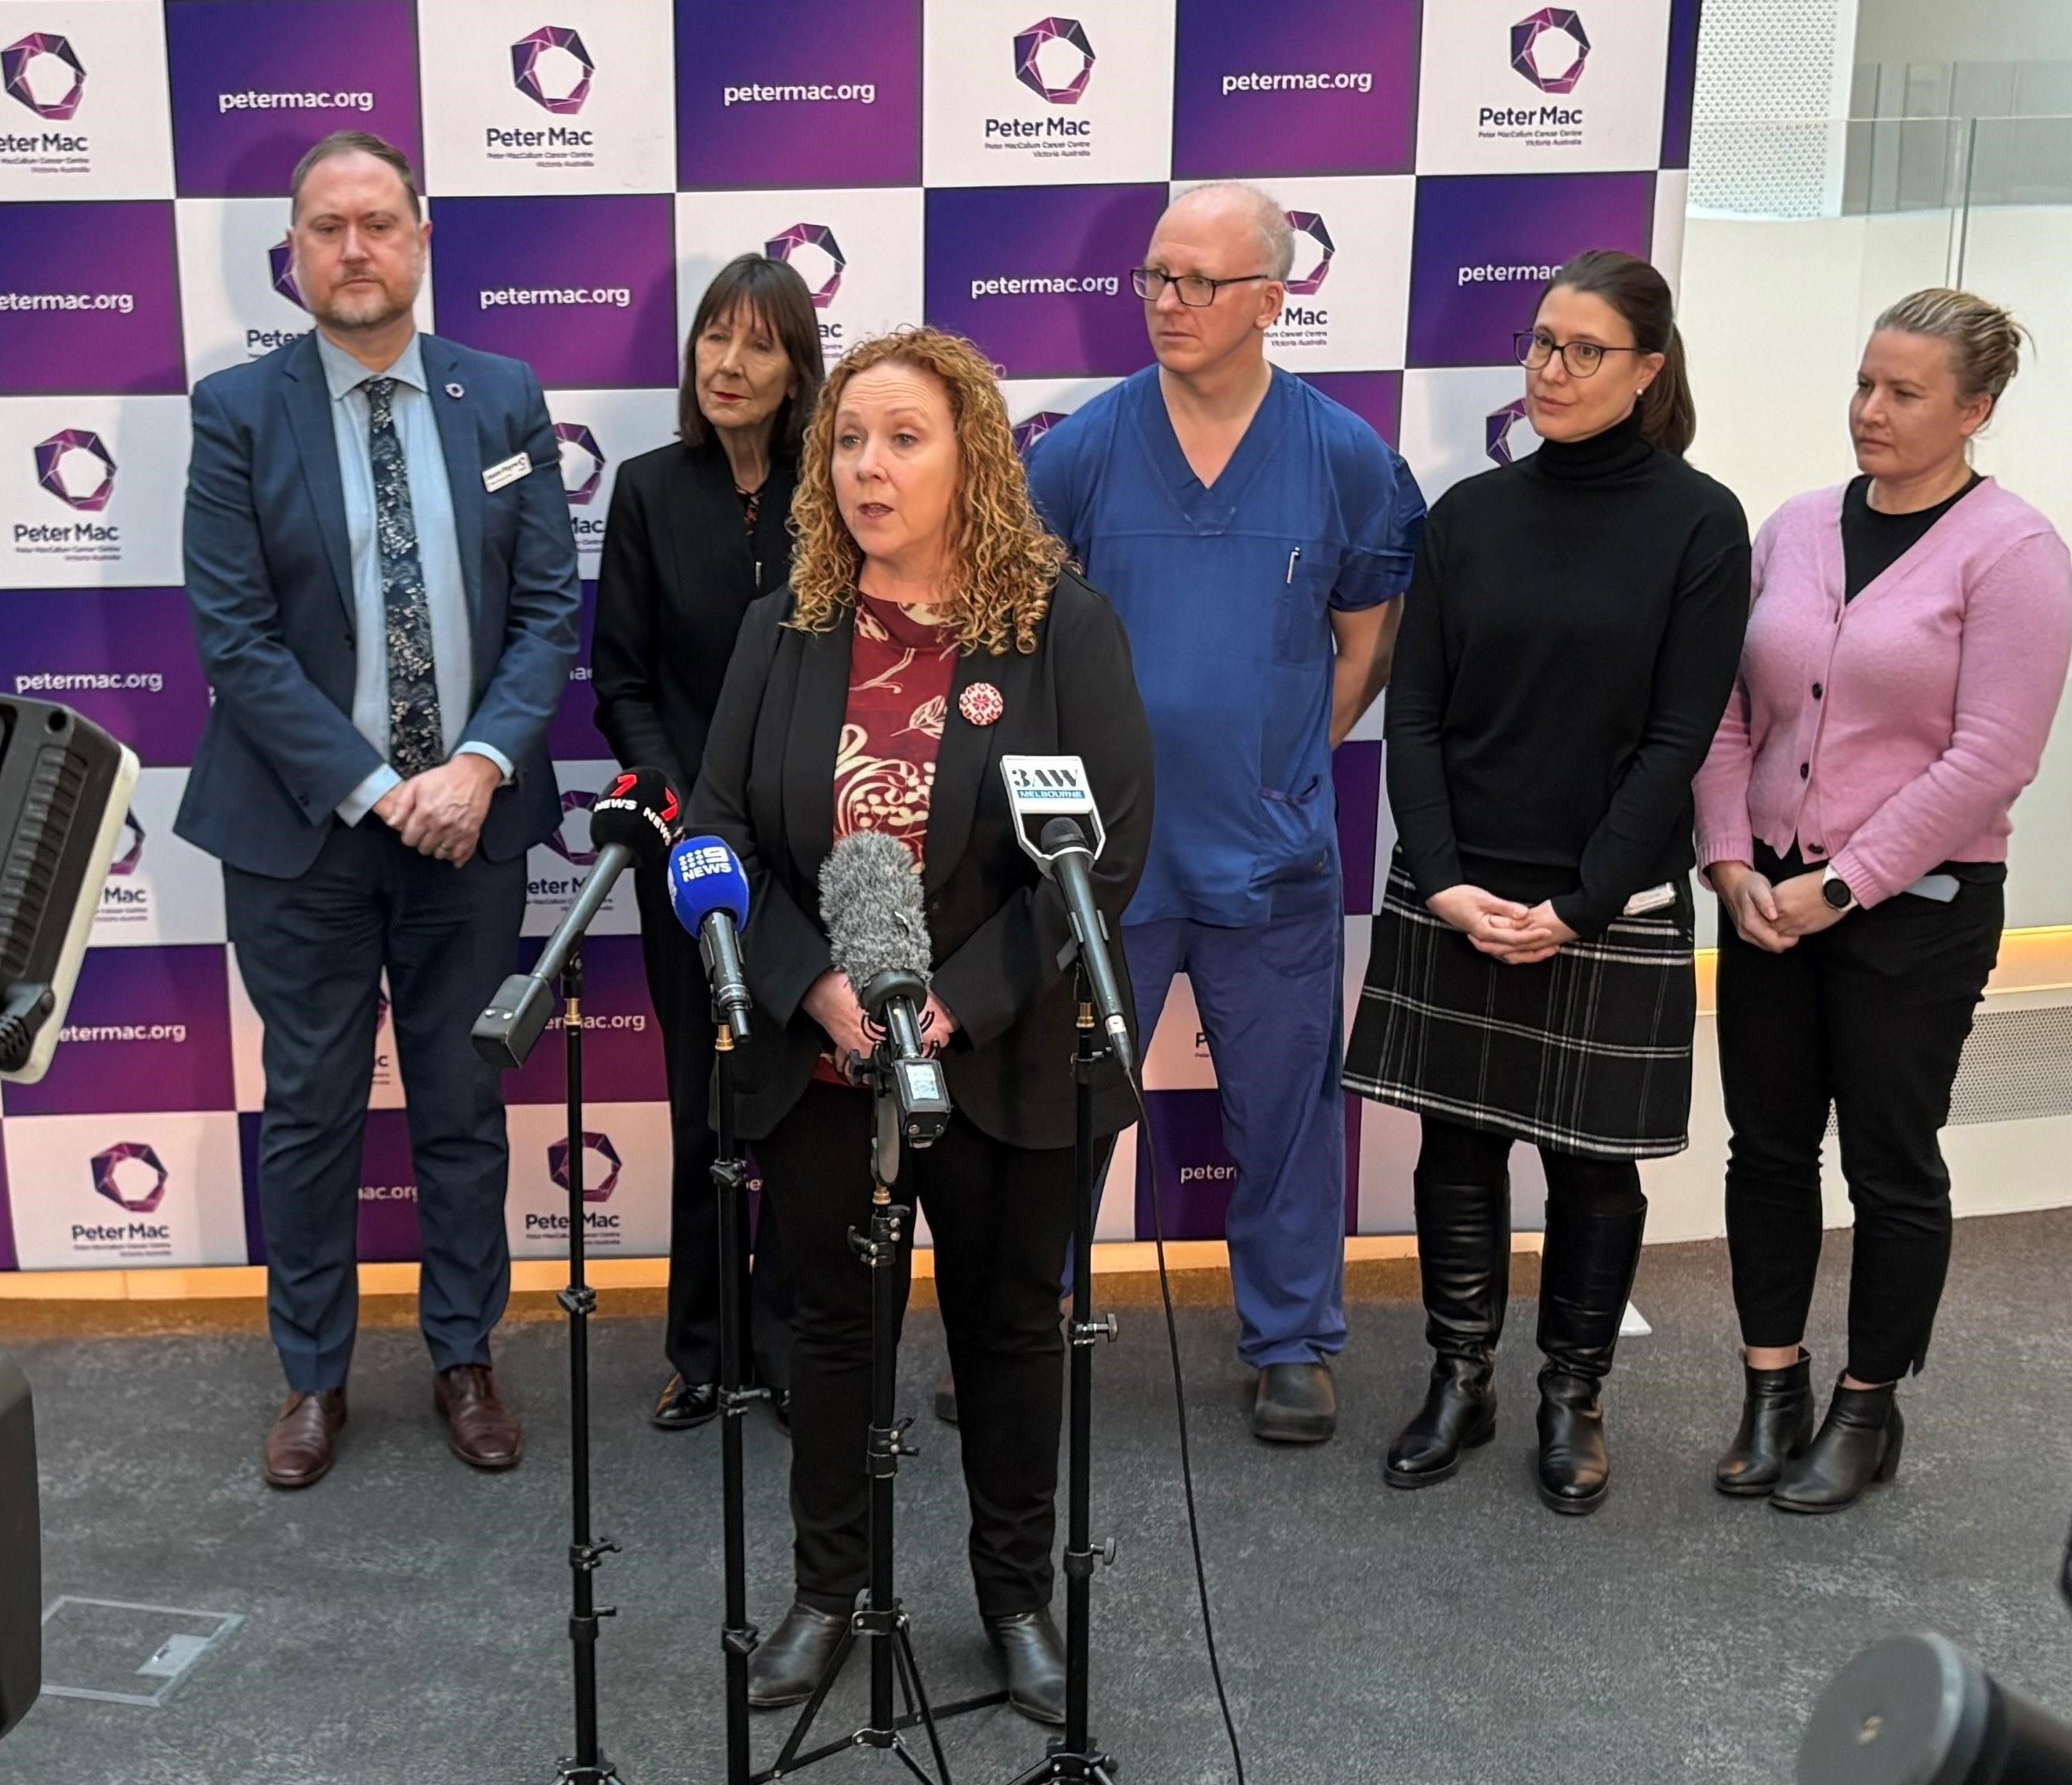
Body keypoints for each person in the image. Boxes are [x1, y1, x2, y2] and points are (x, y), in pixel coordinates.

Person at [687, 328, 1152, 1725]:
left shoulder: (1060, 627)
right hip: (823, 1059)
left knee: (1007, 1331)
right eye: (847, 441)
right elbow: (716, 830)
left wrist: (952, 1003)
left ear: (974, 461)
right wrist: (811, 987)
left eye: (902, 438)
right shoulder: (784, 627)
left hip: (1007, 1056)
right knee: (835, 1334)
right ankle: (827, 1593)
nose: (867, 468)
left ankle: (1014, 1600)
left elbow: (1103, 852)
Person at [175, 130, 579, 1487]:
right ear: (292, 254)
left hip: (472, 823)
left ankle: (464, 1355)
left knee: (462, 1102)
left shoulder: (501, 398)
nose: (354, 248)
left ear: (420, 238)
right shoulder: (238, 411)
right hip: (302, 833)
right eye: (326, 227)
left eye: (378, 223)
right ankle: (313, 1375)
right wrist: (375, 786)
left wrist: (479, 764)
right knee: (310, 1111)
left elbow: (545, 609)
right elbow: (235, 641)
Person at [1343, 250, 1748, 1516]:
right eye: (1539, 343)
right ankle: (1458, 1379)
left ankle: (1572, 1396)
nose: (1550, 370)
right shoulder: (1467, 516)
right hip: (1459, 888)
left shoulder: (1699, 522)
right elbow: (1415, 718)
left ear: (1647, 370)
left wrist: (1583, 903)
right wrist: (1442, 882)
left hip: (1604, 900)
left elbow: (1679, 738)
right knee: (1455, 1147)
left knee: (1592, 1167)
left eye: (1583, 350)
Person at [1024, 182, 1425, 1444]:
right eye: (1155, 275)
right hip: (1109, 866)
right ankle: (1028, 1325)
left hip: (1269, 864)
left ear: (1272, 298)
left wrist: (1277, 770)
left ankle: (1292, 1340)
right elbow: (1027, 644)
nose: (1168, 301)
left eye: (1200, 281)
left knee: (1284, 1109)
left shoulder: (1344, 459)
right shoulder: (1078, 453)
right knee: (1064, 1104)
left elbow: (1364, 643)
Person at [1694, 290, 2072, 1514]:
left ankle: (1866, 1406)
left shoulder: (2012, 552)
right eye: (1864, 382)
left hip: (1916, 913)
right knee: (1765, 1148)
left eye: (1904, 392)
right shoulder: (1796, 525)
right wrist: (1730, 859)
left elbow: (1991, 756)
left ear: (1974, 410)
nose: (1870, 409)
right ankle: (1770, 1388)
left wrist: (1841, 885)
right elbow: (1727, 708)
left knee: (1888, 1163)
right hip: (1764, 896)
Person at [592, 255, 825, 1430]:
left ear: (797, 371)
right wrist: (688, 823)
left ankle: (785, 1343)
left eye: (759, 344)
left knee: (800, 1110)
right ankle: (703, 1348)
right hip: (687, 858)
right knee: (704, 1104)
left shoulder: (834, 490)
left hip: (813, 850)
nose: (728, 364)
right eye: (713, 338)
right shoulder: (646, 489)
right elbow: (622, 685)